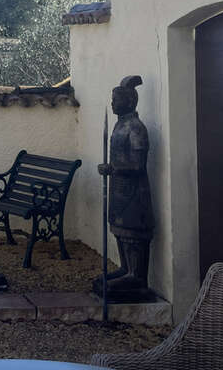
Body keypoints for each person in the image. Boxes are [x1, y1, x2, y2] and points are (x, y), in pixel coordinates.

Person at [93, 74, 154, 302]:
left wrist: (112, 168)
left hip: (134, 193)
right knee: (119, 230)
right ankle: (125, 268)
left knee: (132, 234)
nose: (112, 103)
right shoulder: (121, 125)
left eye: (116, 99)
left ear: (129, 101)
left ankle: (136, 277)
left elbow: (138, 165)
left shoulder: (136, 128)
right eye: (112, 99)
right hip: (119, 190)